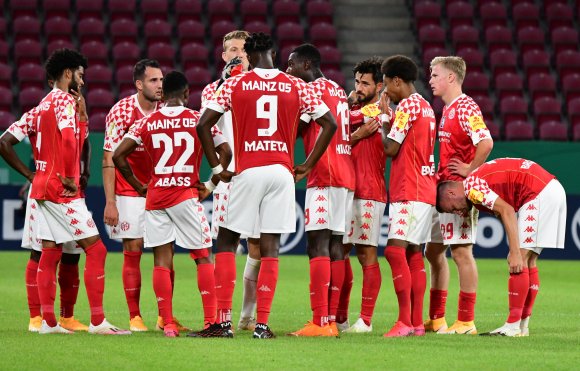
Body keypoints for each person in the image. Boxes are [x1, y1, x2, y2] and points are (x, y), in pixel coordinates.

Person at [196, 32, 337, 339]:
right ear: (274, 51)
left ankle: (223, 322)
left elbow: (203, 124)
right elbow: (330, 124)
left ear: (249, 52)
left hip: (249, 170)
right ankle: (261, 325)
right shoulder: (297, 85)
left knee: (227, 241)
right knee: (270, 246)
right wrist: (308, 164)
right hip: (282, 173)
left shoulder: (235, 83)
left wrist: (218, 168)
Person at [12, 48, 129, 334]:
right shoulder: (64, 101)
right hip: (60, 190)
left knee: (50, 251)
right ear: (68, 74)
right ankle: (98, 321)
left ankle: (49, 323)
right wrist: (67, 176)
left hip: (41, 188)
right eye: (80, 75)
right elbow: (67, 140)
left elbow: (5, 141)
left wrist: (30, 174)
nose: (83, 81)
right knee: (97, 250)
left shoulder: (41, 106)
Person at [113, 71, 229, 337]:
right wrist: (211, 182)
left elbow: (119, 155)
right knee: (202, 256)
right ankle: (212, 321)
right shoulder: (198, 119)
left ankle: (167, 323)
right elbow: (227, 150)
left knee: (161, 261)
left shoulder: (147, 122)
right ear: (188, 94)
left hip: (156, 197)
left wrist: (138, 185)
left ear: (162, 95)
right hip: (185, 195)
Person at [436, 158, 566, 337]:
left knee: (518, 259)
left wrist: (514, 252)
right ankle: (522, 325)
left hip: (538, 193)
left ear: (451, 193)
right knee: (529, 260)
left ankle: (512, 326)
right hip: (551, 188)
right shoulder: (476, 184)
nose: (457, 213)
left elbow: (507, 211)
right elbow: (505, 211)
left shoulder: (472, 189)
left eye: (452, 209)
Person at [103, 59, 183, 332]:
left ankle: (165, 317)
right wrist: (110, 201)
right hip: (129, 190)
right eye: (153, 81)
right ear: (139, 84)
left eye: (161, 80)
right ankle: (135, 317)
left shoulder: (169, 109)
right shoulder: (120, 111)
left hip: (162, 188)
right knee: (133, 248)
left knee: (166, 252)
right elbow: (109, 157)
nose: (160, 86)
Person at [286, 44, 355, 337]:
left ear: (305, 65)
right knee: (337, 246)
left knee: (317, 245)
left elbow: (295, 129)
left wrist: (303, 162)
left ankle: (319, 321)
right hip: (345, 175)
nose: (287, 71)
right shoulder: (338, 90)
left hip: (324, 174)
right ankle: (332, 321)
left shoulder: (312, 91)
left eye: (290, 66)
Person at [0, 105, 89, 333]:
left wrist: (84, 173)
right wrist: (29, 174)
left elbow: (84, 143)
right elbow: (4, 141)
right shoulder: (37, 113)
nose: (80, 84)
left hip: (72, 192)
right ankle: (36, 316)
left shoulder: (76, 113)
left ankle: (67, 317)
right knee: (40, 252)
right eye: (77, 75)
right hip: (45, 189)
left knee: (72, 254)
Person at [425, 56, 494, 335]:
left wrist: (469, 170)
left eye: (435, 74)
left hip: (457, 194)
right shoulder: (448, 109)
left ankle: (466, 321)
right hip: (443, 191)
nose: (430, 79)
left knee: (462, 253)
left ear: (451, 78)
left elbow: (486, 142)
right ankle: (437, 318)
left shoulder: (465, 107)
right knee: (432, 251)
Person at [200, 30, 261, 332]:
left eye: (242, 50)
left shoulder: (265, 87)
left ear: (251, 55)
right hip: (231, 176)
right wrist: (215, 175)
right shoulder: (213, 89)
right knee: (228, 243)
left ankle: (248, 317)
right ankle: (221, 317)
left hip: (261, 172)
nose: (237, 54)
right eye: (231, 50)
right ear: (223, 56)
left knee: (260, 248)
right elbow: (209, 132)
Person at [379, 55, 437, 337]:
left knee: (393, 250)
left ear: (397, 81)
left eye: (386, 83)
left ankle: (404, 321)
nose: (385, 90)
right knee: (414, 253)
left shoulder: (407, 106)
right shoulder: (425, 106)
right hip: (424, 190)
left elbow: (390, 149)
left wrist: (381, 118)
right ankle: (415, 323)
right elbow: (404, 143)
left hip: (409, 189)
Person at [339, 57, 387, 333]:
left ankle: (365, 321)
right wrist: (346, 108)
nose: (358, 87)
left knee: (367, 254)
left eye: (365, 83)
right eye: (356, 81)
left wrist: (344, 111)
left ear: (379, 86)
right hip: (346, 190)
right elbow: (337, 126)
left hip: (369, 192)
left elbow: (337, 122)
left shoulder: (379, 112)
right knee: (340, 251)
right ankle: (341, 318)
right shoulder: (353, 109)